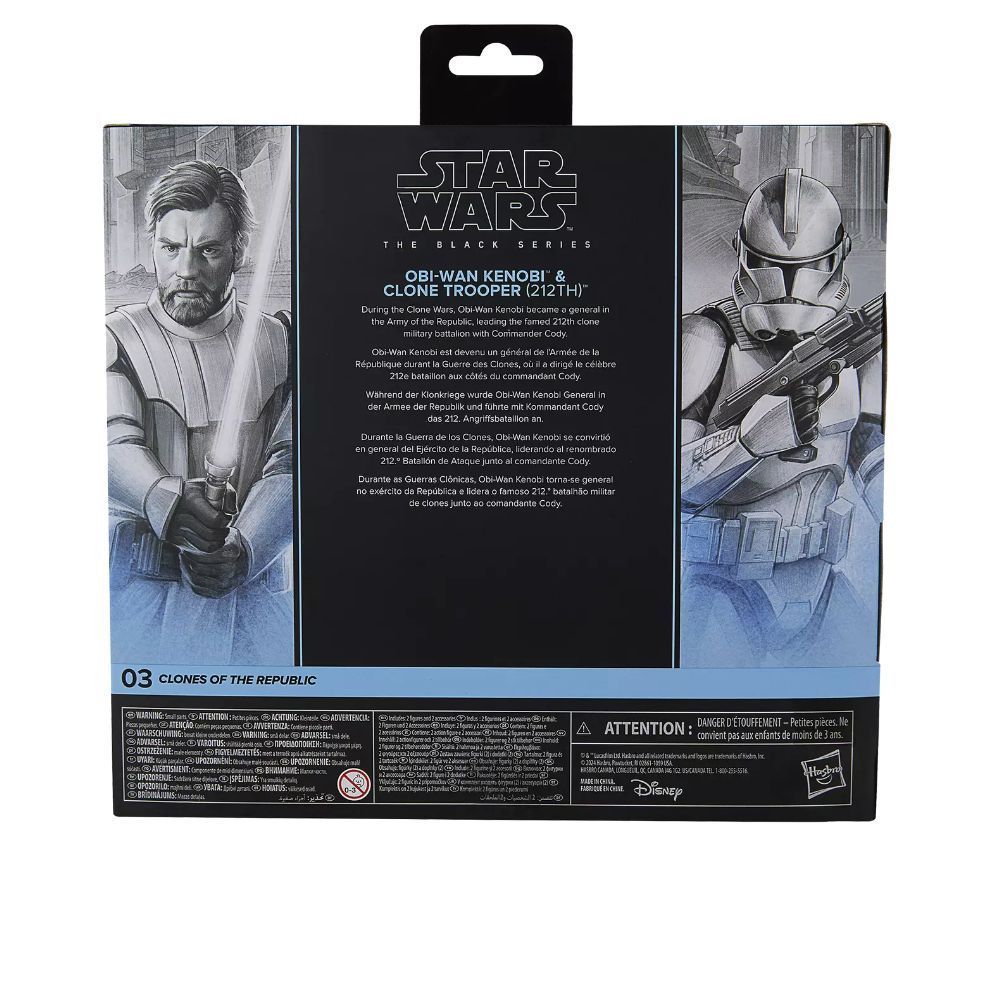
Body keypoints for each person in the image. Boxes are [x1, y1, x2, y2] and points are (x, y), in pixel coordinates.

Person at [680, 168, 883, 666]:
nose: (790, 288)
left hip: (821, 585)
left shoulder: (851, 349)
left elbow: (872, 452)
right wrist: (747, 443)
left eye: (806, 267)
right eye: (772, 266)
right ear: (744, 254)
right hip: (724, 588)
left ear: (836, 257)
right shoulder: (706, 338)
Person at [106, 160, 293, 665]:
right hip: (143, 603)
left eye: (208, 250)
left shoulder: (281, 340)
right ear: (153, 246)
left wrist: (247, 547)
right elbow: (110, 440)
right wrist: (162, 498)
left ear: (239, 251)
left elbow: (295, 462)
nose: (186, 271)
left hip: (257, 608)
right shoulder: (116, 337)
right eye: (171, 248)